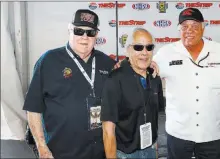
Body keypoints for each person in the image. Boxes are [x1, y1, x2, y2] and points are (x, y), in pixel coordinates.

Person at [153, 8, 220, 159]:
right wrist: (124, 65)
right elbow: (143, 67)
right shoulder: (165, 53)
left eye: (195, 26)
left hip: (212, 135)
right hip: (178, 133)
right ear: (179, 29)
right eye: (184, 27)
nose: (189, 30)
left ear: (203, 28)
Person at [23, 9, 116, 159]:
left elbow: (129, 74)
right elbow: (33, 108)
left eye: (90, 32)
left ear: (96, 35)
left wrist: (149, 66)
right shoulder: (48, 61)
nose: (84, 37)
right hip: (60, 153)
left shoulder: (108, 63)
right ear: (69, 30)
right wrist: (42, 147)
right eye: (79, 31)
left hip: (100, 152)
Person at [101, 28, 164, 159]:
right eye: (138, 47)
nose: (144, 53)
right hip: (125, 154)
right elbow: (108, 131)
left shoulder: (155, 77)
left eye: (149, 47)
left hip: (150, 150)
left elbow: (155, 117)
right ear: (128, 50)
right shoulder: (115, 80)